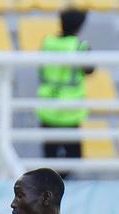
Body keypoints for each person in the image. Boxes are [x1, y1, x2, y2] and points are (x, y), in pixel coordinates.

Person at [37, 9, 95, 166]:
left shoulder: (47, 43)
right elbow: (90, 70)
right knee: (74, 157)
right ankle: (61, 183)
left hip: (47, 107)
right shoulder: (80, 46)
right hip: (69, 112)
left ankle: (53, 187)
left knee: (49, 158)